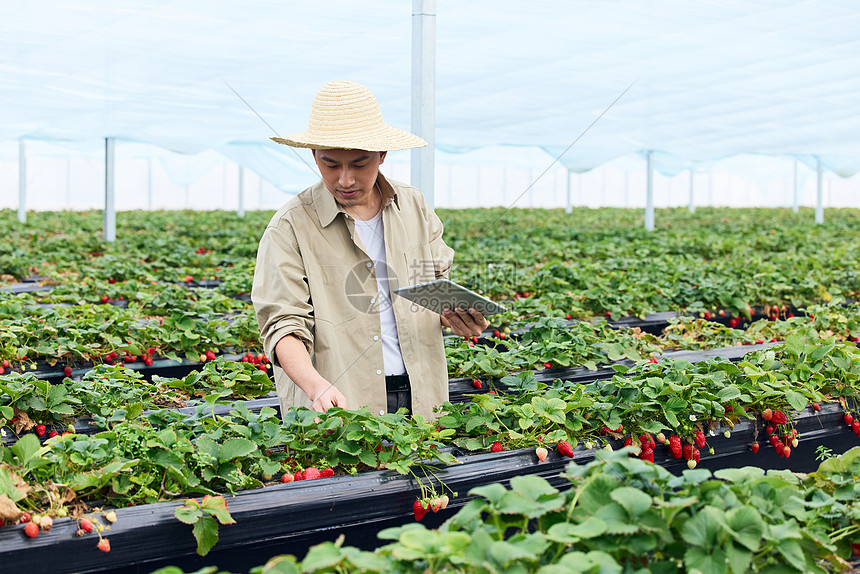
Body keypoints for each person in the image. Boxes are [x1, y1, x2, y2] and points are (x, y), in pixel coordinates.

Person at [252, 80, 487, 420]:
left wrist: (454, 314)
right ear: (314, 155)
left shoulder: (413, 206)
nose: (345, 180)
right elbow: (283, 325)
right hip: (340, 406)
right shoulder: (290, 227)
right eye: (331, 164)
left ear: (382, 155)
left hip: (422, 395)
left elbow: (435, 284)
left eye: (359, 164)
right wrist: (316, 385)